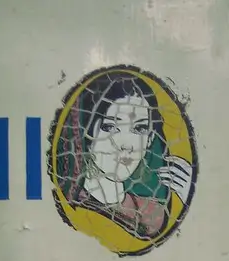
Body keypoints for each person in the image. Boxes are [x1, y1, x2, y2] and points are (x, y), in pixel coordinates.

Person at [56, 71, 193, 239]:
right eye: (110, 127)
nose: (127, 145)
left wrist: (191, 196)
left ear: (149, 139)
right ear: (88, 134)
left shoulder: (154, 215)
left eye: (140, 129)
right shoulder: (77, 208)